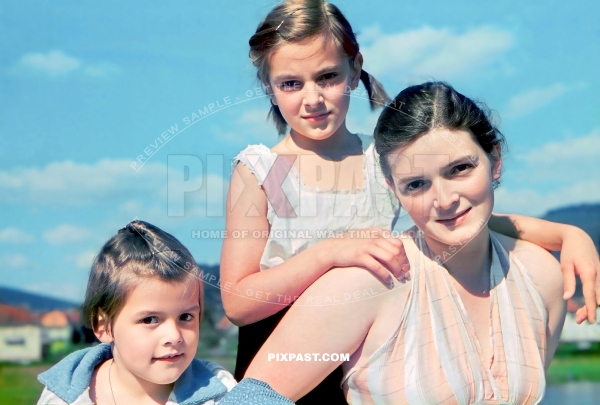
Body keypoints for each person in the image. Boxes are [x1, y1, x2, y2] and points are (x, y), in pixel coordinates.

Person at [222, 1, 600, 403]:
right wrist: (327, 255)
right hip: (281, 354)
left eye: (327, 76)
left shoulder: (381, 160)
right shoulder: (262, 169)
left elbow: (452, 216)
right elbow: (237, 301)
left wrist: (565, 234)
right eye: (291, 84)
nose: (312, 98)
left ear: (354, 68)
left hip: (367, 345)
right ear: (268, 86)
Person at [241, 82, 569, 404]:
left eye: (460, 169)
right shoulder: (370, 281)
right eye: (416, 184)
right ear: (392, 188)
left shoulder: (540, 275)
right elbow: (252, 398)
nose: (444, 200)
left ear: (494, 159)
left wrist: (572, 235)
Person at [37, 221, 237, 405]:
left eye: (185, 317)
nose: (174, 336)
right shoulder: (65, 397)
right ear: (104, 326)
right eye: (150, 319)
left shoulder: (221, 393)